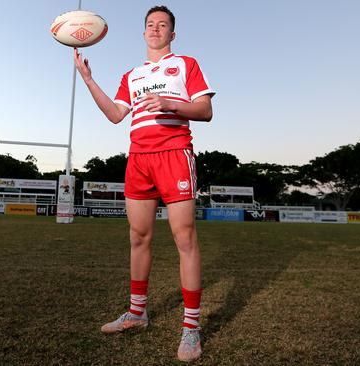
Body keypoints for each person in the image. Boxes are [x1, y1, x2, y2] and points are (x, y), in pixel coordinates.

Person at [74, 5, 214, 362]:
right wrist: (88, 79)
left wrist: (169, 103)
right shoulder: (131, 75)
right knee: (138, 237)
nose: (156, 29)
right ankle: (137, 313)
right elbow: (116, 115)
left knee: (184, 238)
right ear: (143, 32)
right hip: (138, 160)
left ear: (172, 34)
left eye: (162, 25)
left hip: (174, 154)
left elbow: (205, 111)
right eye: (150, 24)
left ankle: (191, 327)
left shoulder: (186, 65)